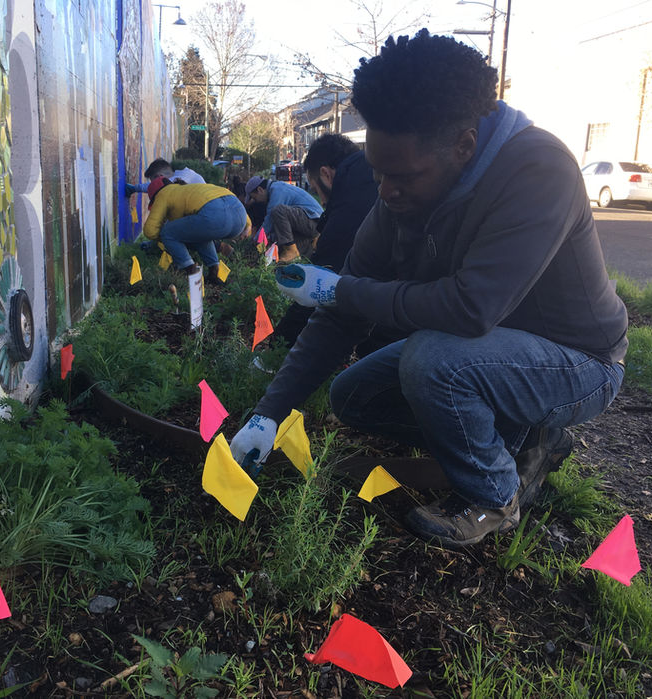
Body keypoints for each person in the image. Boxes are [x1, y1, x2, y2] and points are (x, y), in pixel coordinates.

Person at [229, 30, 628, 548]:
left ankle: (493, 495)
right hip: (484, 354)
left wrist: (339, 291)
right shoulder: (398, 195)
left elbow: (470, 309)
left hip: (578, 363)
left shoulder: (538, 168)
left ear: (464, 144)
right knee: (353, 396)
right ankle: (522, 438)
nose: (386, 191)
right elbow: (341, 311)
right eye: (377, 173)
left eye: (403, 176)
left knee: (433, 362)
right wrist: (268, 411)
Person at [273, 133, 378, 347]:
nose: (321, 200)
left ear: (325, 174)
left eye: (315, 188)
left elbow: (321, 281)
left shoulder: (351, 204)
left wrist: (277, 343)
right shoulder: (368, 172)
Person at [143, 177, 251, 284]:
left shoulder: (163, 194)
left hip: (216, 217)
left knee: (167, 232)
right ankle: (214, 271)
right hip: (240, 218)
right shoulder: (189, 190)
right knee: (197, 234)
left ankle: (190, 270)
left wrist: (165, 239)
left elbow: (150, 230)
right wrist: (248, 226)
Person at [244, 175, 323, 262]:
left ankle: (290, 250)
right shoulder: (275, 190)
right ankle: (306, 249)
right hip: (309, 224)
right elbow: (279, 227)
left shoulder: (277, 190)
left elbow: (269, 222)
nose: (256, 201)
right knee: (284, 259)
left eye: (255, 198)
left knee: (278, 210)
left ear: (260, 190)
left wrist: (255, 242)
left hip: (313, 221)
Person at [126, 158, 205, 196]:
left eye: (154, 182)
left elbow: (158, 187)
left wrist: (135, 188)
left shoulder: (182, 178)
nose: (154, 185)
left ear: (160, 176)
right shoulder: (185, 174)